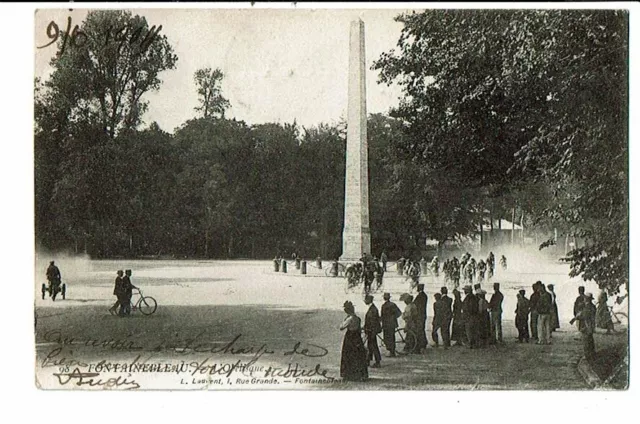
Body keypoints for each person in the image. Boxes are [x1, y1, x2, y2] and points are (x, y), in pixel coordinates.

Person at [339, 301, 369, 381]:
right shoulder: (357, 318)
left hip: (350, 337)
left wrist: (345, 320)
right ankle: (361, 375)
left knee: (348, 355)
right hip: (357, 337)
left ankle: (349, 374)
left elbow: (341, 327)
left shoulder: (349, 319)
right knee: (358, 355)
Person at [570, 293, 597, 362]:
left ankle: (588, 356)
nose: (584, 299)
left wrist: (577, 317)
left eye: (585, 298)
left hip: (586, 325)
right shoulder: (592, 306)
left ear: (586, 299)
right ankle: (591, 354)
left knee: (586, 341)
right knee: (590, 340)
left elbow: (585, 316)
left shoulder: (588, 307)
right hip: (590, 325)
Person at [363, 295, 382, 368]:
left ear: (369, 300)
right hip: (370, 330)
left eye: (366, 300)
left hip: (371, 331)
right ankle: (368, 360)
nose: (365, 301)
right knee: (370, 345)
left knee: (373, 346)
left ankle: (377, 361)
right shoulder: (373, 308)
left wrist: (371, 330)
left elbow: (373, 321)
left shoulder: (373, 309)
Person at [413, 284, 428, 352]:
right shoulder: (424, 295)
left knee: (420, 330)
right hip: (423, 314)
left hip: (419, 315)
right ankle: (424, 343)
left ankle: (421, 344)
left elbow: (416, 304)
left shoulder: (420, 296)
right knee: (422, 329)